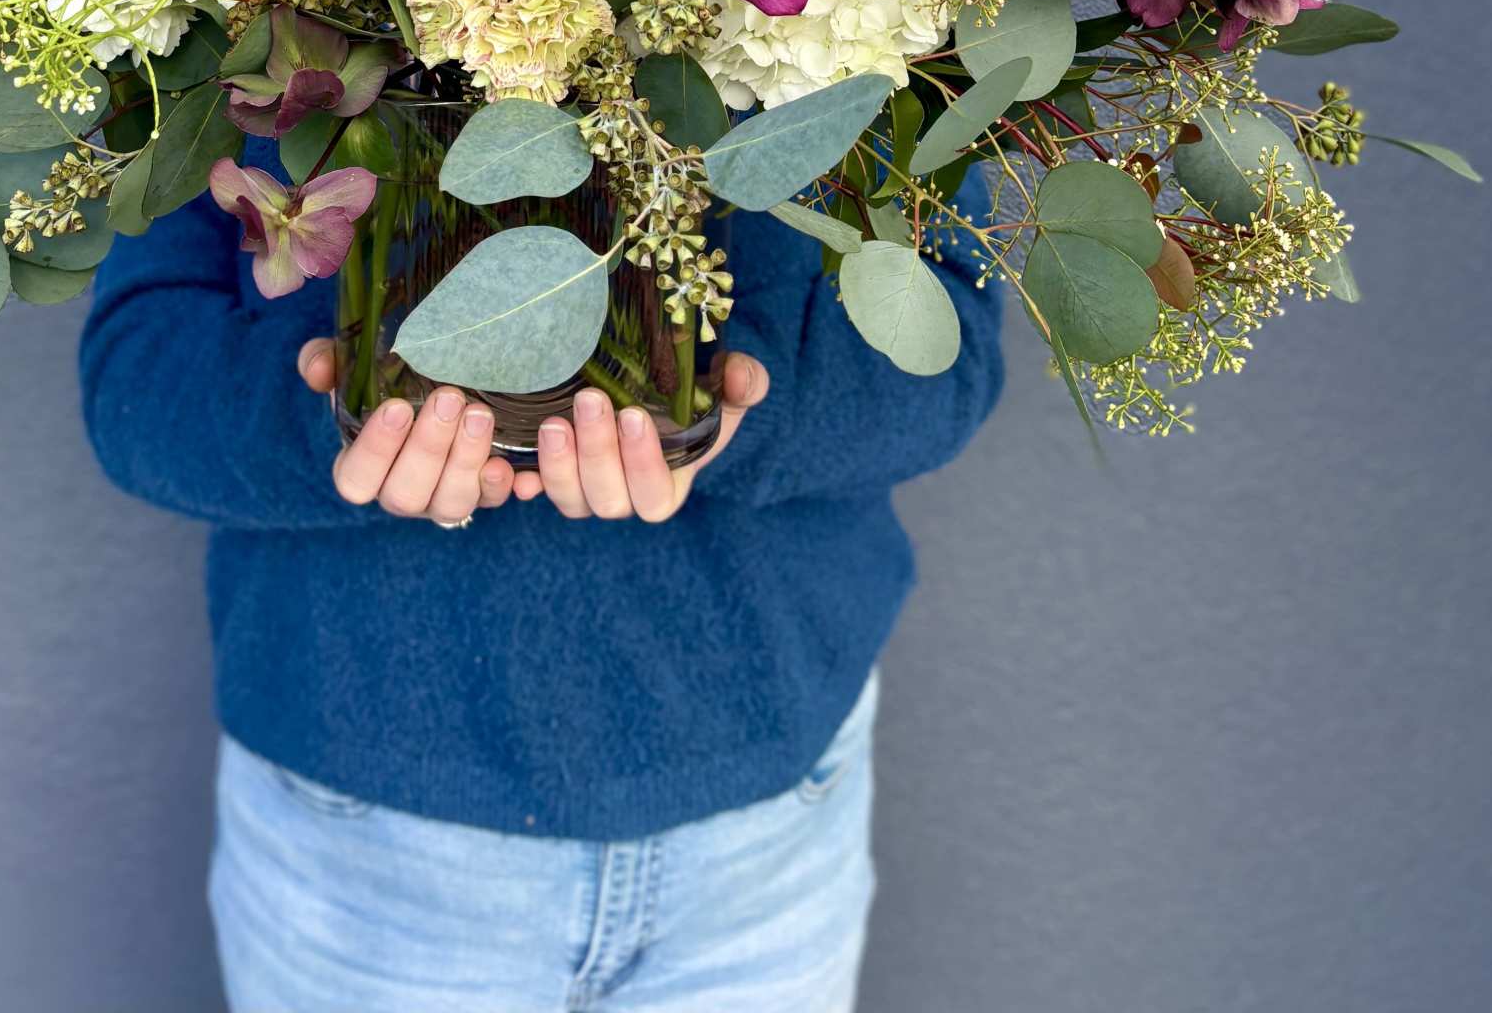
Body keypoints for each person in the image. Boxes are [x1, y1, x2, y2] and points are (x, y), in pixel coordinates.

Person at [78, 144, 1004, 1013]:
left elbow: (951, 340)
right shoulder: (218, 40)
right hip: (361, 851)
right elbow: (139, 374)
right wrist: (356, 413)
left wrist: (728, 406)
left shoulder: (897, 33)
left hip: (766, 849)